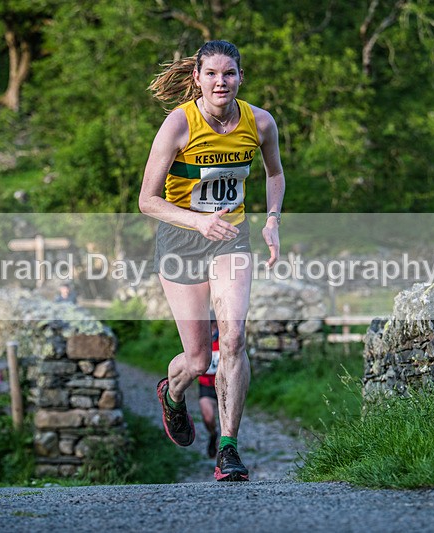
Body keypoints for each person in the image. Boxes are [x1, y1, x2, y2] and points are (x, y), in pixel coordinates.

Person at [138, 40, 286, 482]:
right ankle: (173, 391)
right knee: (199, 359)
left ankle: (228, 448)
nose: (221, 82)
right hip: (181, 241)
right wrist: (198, 222)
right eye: (212, 74)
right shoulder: (177, 125)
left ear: (240, 77)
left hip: (231, 240)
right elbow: (147, 201)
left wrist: (273, 220)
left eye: (229, 74)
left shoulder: (259, 122)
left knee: (234, 338)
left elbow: (274, 173)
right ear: (197, 78)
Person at [199, 313, 221, 458]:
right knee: (208, 418)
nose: (212, 328)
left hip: (224, 385)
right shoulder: (199, 339)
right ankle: (213, 435)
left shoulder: (225, 338)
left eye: (214, 324)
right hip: (206, 386)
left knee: (227, 420)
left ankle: (226, 450)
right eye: (210, 324)